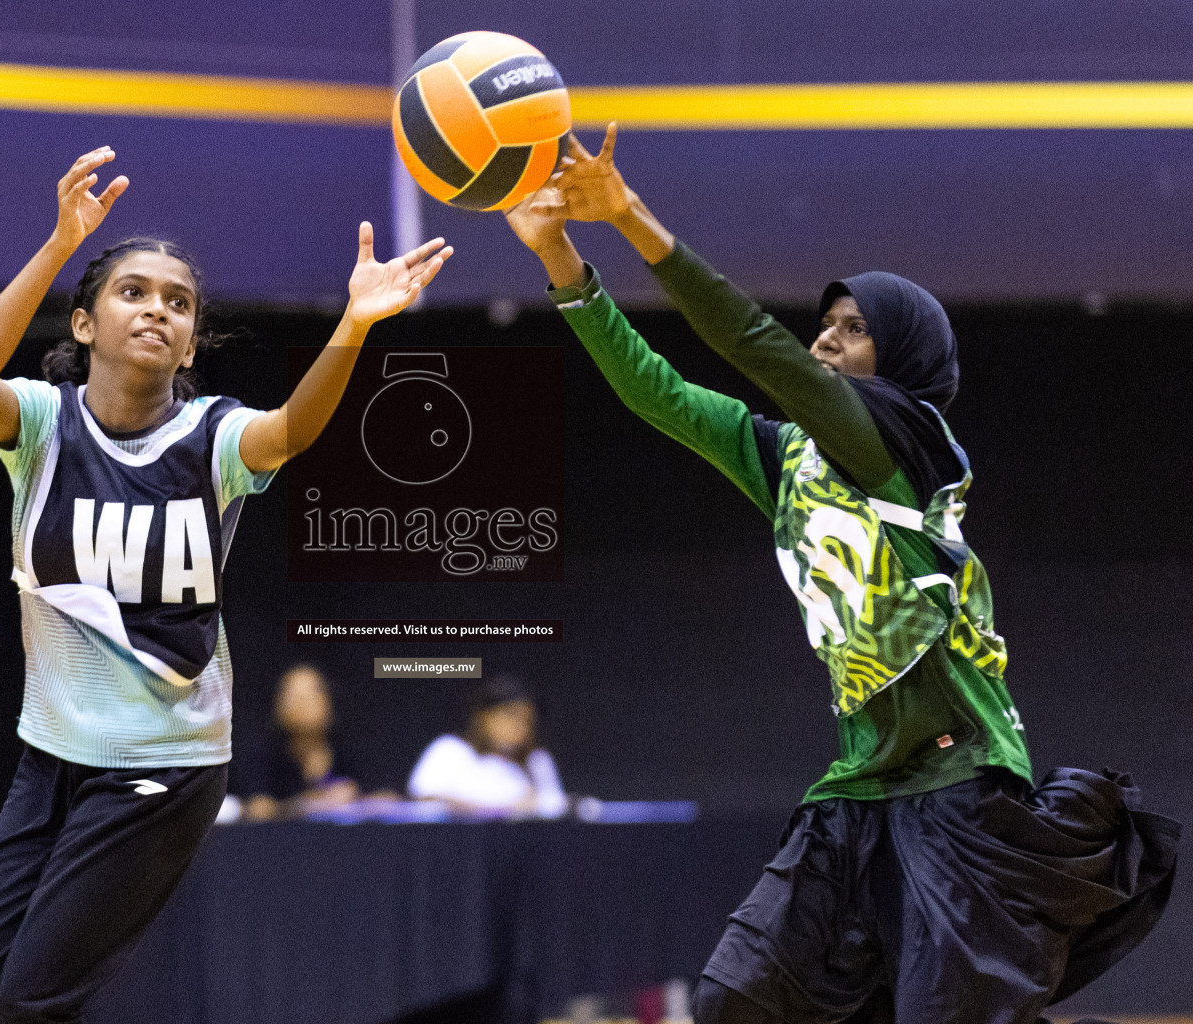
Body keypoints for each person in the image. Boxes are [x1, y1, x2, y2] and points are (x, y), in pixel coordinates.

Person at [504, 124, 1179, 1024]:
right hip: (863, 786)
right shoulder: (792, 460)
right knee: (734, 1001)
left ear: (899, 362)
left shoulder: (903, 440)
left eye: (854, 331)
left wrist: (626, 215)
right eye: (823, 326)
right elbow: (655, 392)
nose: (826, 342)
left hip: (960, 783)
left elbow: (754, 345)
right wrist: (560, 259)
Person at [0, 145, 450, 1024]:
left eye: (179, 303)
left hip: (162, 765)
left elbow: (290, 432)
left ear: (190, 342)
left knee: (30, 1002)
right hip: (51, 754)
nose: (158, 310)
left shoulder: (212, 438)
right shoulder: (44, 426)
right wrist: (61, 243)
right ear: (87, 324)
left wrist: (354, 325)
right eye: (133, 292)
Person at [408, 675, 567, 818]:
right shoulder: (450, 750)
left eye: (526, 720)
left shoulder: (537, 761)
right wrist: (503, 809)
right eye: (510, 715)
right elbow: (424, 797)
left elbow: (554, 808)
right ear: (483, 716)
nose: (518, 726)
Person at [240, 664, 362, 821]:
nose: (301, 704)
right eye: (292, 695)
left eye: (311, 694)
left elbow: (380, 798)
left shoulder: (347, 752)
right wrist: (314, 803)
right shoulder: (265, 757)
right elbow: (258, 809)